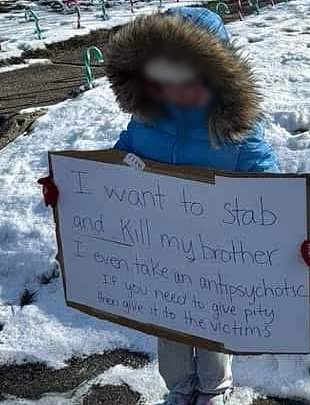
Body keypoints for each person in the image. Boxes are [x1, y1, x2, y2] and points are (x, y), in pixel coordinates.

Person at [105, 7, 278, 405]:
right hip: (162, 247)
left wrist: (289, 224)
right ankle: (179, 388)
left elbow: (265, 175)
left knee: (213, 318)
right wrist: (76, 188)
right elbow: (118, 161)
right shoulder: (146, 122)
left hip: (216, 248)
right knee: (169, 322)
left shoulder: (235, 129)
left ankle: (215, 388)